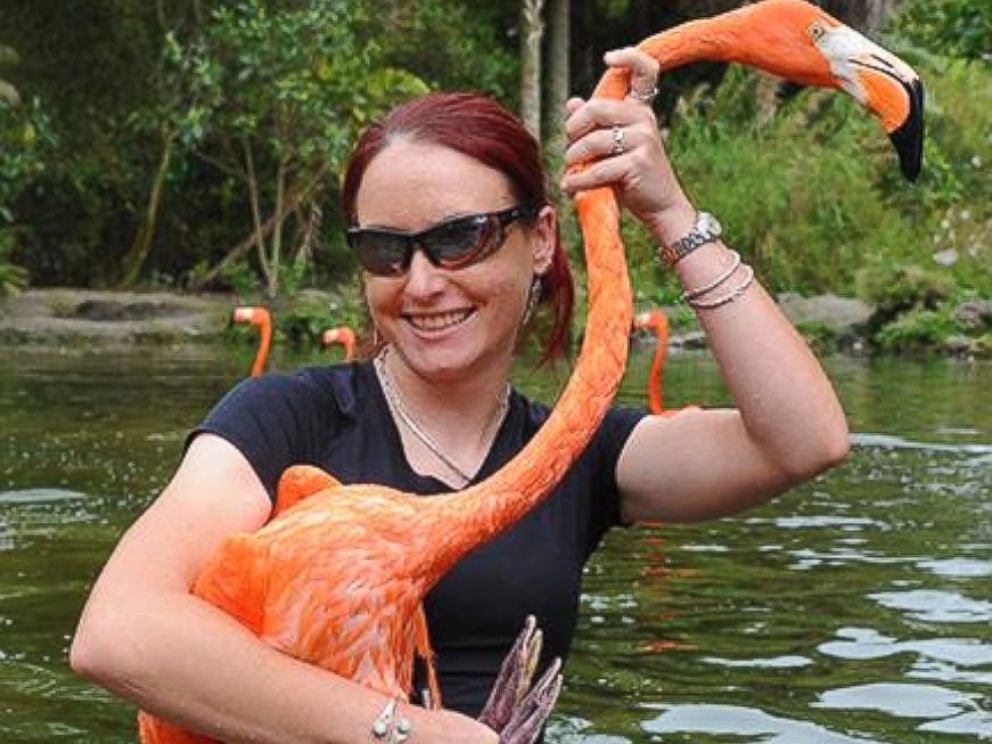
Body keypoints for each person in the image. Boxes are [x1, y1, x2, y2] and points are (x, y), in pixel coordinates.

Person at [70, 49, 849, 744]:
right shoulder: (286, 422)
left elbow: (804, 441)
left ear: (541, 240)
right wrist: (406, 734)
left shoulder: (573, 457)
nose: (421, 284)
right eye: (385, 250)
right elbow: (119, 631)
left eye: (460, 237)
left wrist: (671, 214)